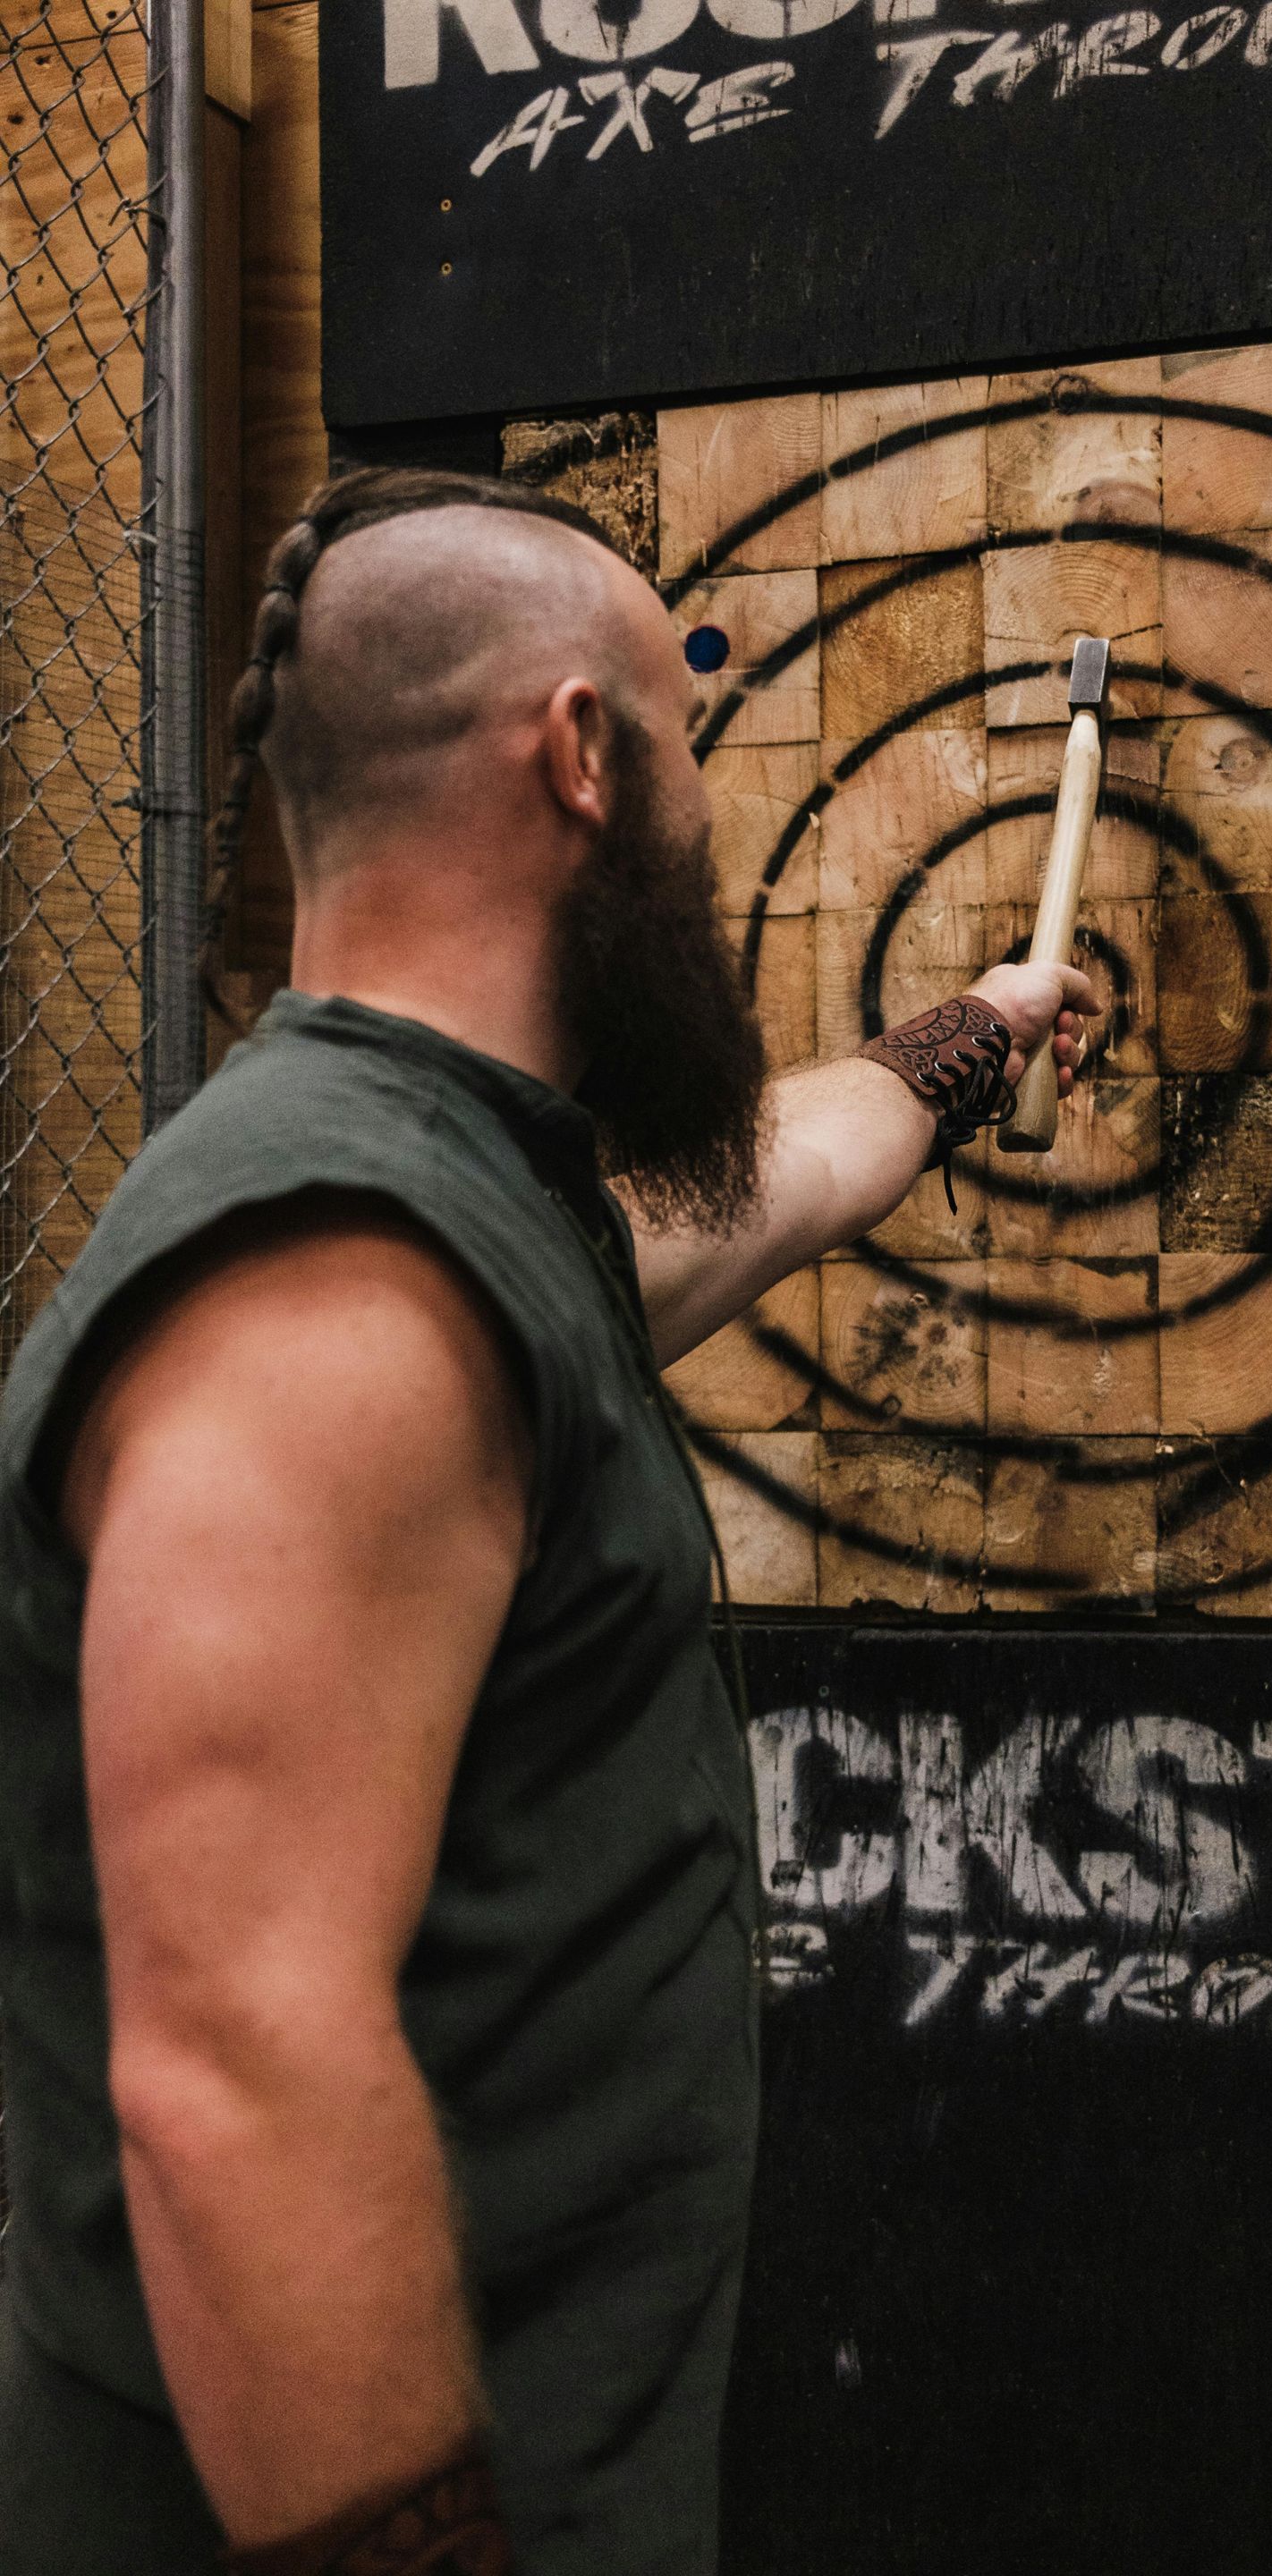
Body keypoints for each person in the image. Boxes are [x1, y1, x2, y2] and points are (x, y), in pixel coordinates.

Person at [0, 467, 1092, 2575]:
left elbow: (735, 1208)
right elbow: (234, 2074)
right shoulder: (332, 1281)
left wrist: (966, 1046)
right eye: (683, 752)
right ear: (583, 757)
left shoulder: (460, 1201)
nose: (702, 834)